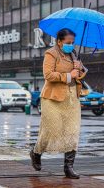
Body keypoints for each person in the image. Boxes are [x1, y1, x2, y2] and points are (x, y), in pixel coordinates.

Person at [30, 28, 88, 179]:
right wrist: (69, 75)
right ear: (59, 41)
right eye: (68, 42)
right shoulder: (51, 53)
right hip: (52, 98)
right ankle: (36, 152)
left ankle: (69, 167)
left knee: (72, 131)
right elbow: (48, 75)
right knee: (50, 130)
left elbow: (79, 76)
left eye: (73, 42)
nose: (71, 45)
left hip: (72, 97)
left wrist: (80, 69)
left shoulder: (74, 54)